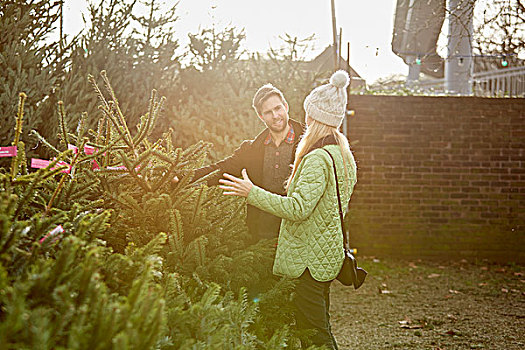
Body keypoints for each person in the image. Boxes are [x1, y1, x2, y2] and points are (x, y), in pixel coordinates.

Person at [218, 70, 357, 350]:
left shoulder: (318, 158)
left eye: (309, 114)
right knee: (316, 324)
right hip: (324, 252)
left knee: (315, 331)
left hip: (309, 258)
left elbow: (297, 209)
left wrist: (251, 192)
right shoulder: (342, 152)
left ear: (316, 118)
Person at [193, 84, 304, 242]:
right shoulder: (252, 150)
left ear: (286, 107)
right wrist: (183, 177)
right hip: (261, 238)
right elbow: (220, 170)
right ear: (261, 117)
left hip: (298, 238)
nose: (275, 115)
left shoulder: (309, 143)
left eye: (278, 108)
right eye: (268, 112)